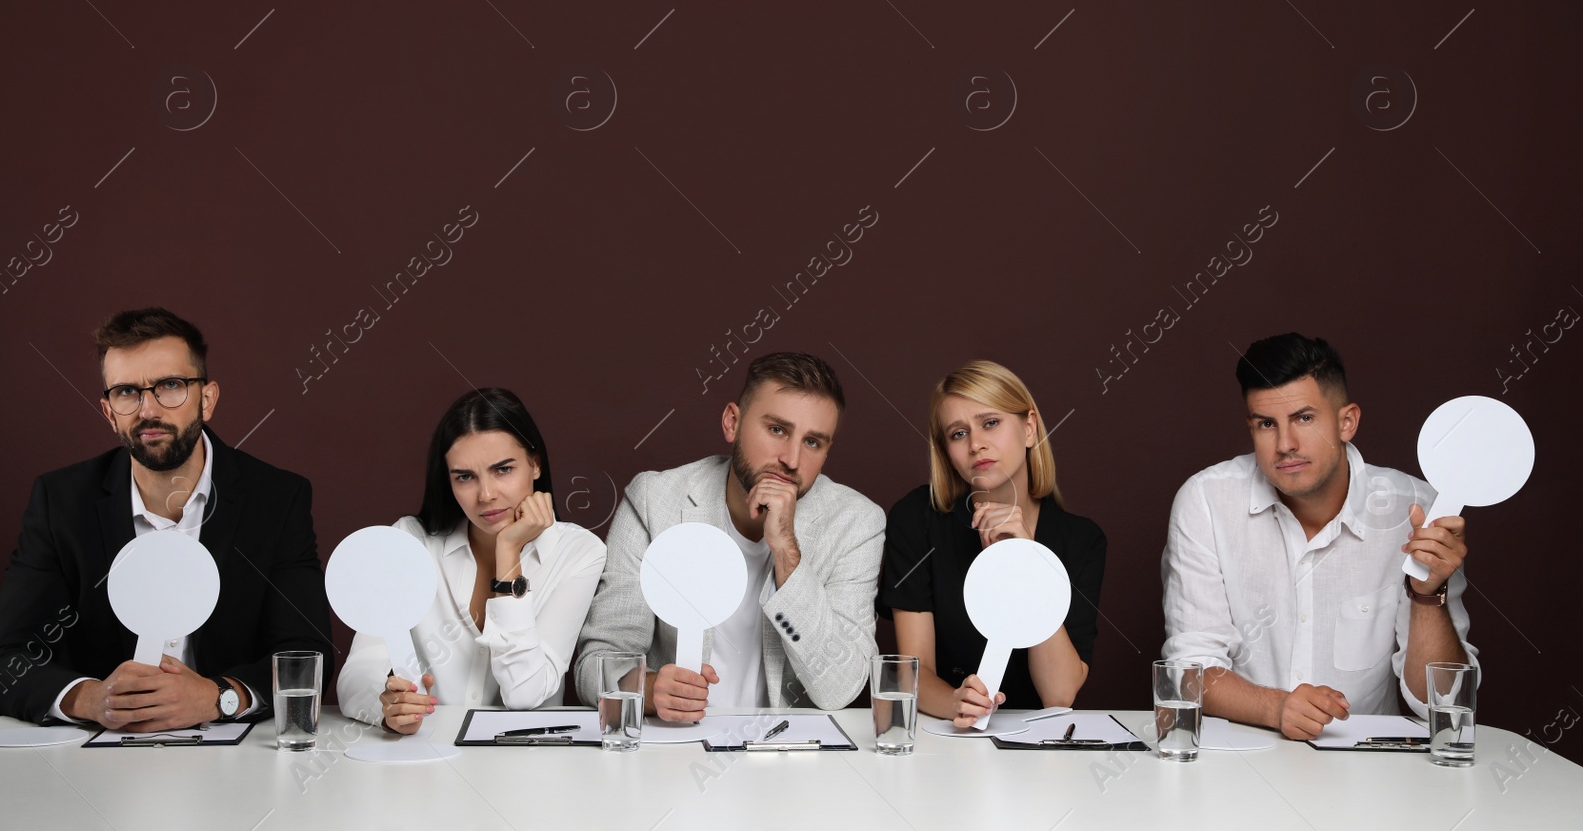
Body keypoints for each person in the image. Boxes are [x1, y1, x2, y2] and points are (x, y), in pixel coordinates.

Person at [0, 308, 333, 730]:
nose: (148, 410)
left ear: (207, 399)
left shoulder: (276, 498)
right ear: (109, 411)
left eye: (170, 386)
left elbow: (307, 652)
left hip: (236, 759)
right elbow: (6, 661)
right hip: (95, 759)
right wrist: (91, 699)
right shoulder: (60, 501)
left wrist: (219, 697)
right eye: (127, 392)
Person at [1161, 333, 1476, 740]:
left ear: (1347, 422)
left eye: (1304, 418)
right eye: (1266, 424)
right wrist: (1277, 708)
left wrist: (1428, 594)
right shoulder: (1206, 501)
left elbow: (1442, 705)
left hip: (1369, 772)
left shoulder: (1414, 512)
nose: (1285, 445)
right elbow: (1189, 670)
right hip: (1242, 764)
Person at [574, 352, 884, 720]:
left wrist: (787, 553)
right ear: (732, 423)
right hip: (674, 750)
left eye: (813, 442)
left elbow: (841, 689)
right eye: (777, 430)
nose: (792, 459)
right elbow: (595, 666)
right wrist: (650, 689)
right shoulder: (653, 501)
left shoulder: (856, 523)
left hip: (786, 756)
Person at [336, 388, 606, 732]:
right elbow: (359, 671)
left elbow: (525, 694)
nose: (487, 495)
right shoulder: (410, 541)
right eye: (465, 477)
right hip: (425, 757)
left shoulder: (579, 552)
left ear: (535, 464)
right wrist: (387, 704)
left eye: (503, 469)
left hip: (526, 763)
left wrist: (508, 551)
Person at [880, 360, 1106, 727]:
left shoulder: (1081, 540)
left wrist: (1026, 557)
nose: (976, 444)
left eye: (990, 423)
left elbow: (1059, 693)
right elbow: (912, 673)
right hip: (946, 738)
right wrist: (955, 702)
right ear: (947, 453)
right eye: (958, 434)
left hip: (1035, 749)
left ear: (1029, 428)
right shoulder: (917, 520)